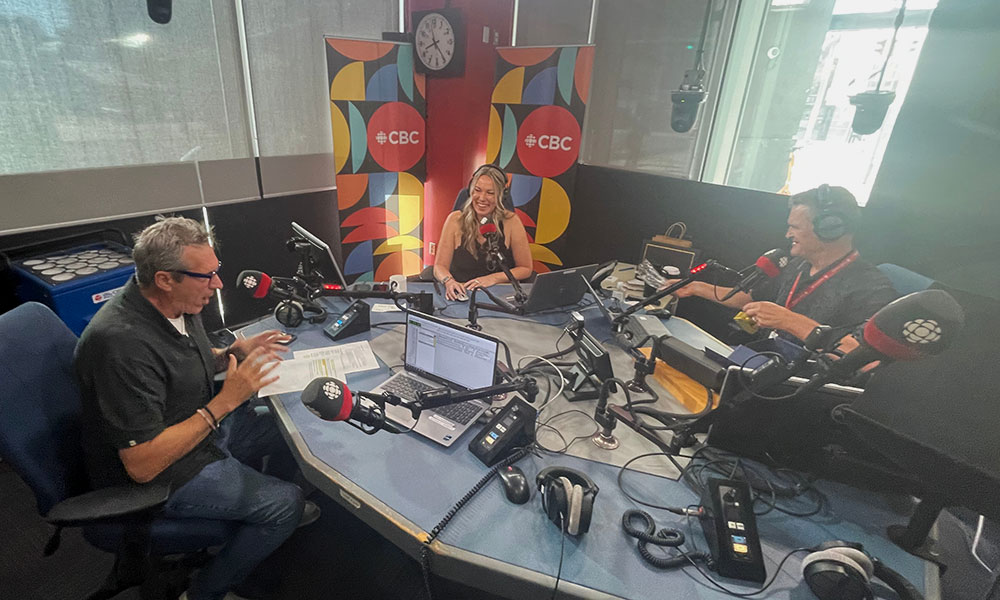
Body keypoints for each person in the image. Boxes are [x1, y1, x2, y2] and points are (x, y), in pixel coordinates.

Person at [74, 217, 316, 600]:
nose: (217, 285)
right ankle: (205, 591)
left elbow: (183, 364)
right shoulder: (120, 344)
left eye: (215, 272)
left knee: (298, 424)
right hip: (165, 472)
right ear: (165, 278)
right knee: (285, 505)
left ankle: (261, 514)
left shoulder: (177, 301)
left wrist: (231, 354)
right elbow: (141, 465)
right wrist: (225, 402)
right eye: (207, 276)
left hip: (201, 432)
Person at [665, 185, 897, 343]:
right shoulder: (796, 265)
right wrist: (696, 287)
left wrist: (789, 321)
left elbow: (865, 356)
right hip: (761, 364)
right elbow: (750, 298)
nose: (787, 235)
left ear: (829, 229)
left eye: (794, 227)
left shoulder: (871, 287)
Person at [433, 164, 533, 300]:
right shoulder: (455, 220)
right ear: (470, 191)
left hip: (498, 296)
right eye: (477, 190)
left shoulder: (511, 221)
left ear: (501, 195)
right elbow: (439, 266)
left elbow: (525, 268)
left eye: (490, 193)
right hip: (461, 294)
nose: (482, 198)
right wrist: (449, 281)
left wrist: (493, 278)